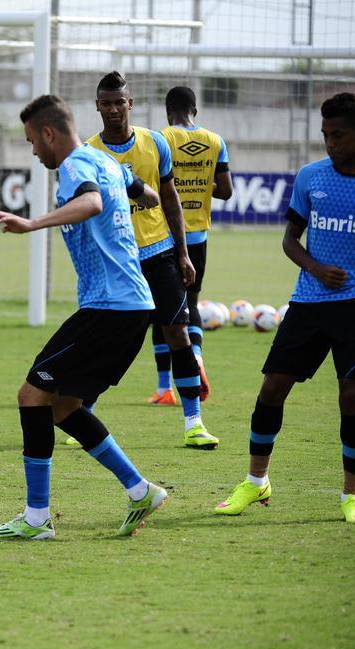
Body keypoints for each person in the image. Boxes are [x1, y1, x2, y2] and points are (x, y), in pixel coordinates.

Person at [0, 94, 168, 540]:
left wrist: (30, 224)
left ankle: (36, 518)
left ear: (49, 133)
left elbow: (91, 205)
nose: (32, 151)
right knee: (64, 406)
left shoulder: (74, 167)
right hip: (130, 305)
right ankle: (140, 490)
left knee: (31, 395)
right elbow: (149, 194)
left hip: (110, 306)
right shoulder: (106, 162)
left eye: (31, 141)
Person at [214, 92, 355, 524]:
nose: (330, 143)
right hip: (310, 300)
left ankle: (352, 494)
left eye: (338, 135)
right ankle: (256, 481)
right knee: (272, 388)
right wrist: (317, 268)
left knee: (353, 396)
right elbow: (289, 240)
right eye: (325, 135)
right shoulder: (310, 177)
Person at [87, 71, 218, 449]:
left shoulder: (154, 142)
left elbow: (170, 198)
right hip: (118, 261)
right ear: (98, 107)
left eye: (119, 102)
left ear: (130, 103)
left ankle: (194, 422)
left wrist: (182, 253)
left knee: (178, 334)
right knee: (107, 342)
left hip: (160, 253)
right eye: (106, 103)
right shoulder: (89, 153)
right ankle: (84, 413)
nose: (113, 109)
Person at [151, 86, 233, 402]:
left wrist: (176, 183)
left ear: (168, 111)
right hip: (198, 237)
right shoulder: (215, 141)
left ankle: (163, 388)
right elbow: (225, 191)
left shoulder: (161, 139)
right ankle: (196, 357)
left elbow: (156, 182)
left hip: (163, 237)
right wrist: (201, 183)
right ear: (194, 111)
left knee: (162, 310)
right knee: (192, 304)